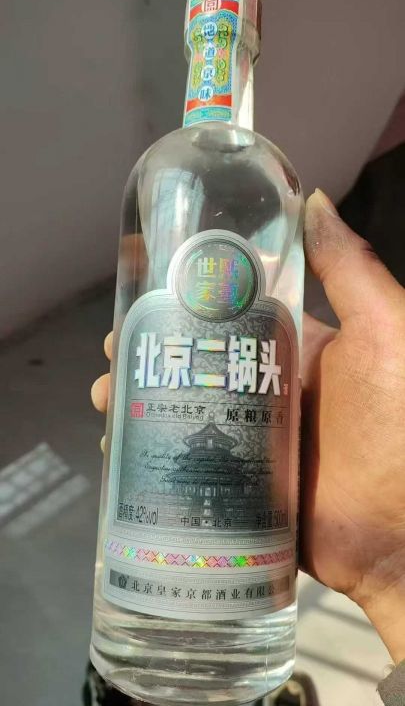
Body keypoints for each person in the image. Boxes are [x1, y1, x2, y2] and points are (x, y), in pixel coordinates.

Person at [91, 189, 405, 705]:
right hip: (139, 630)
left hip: (250, 638)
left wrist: (394, 564)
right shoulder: (171, 171)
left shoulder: (271, 179)